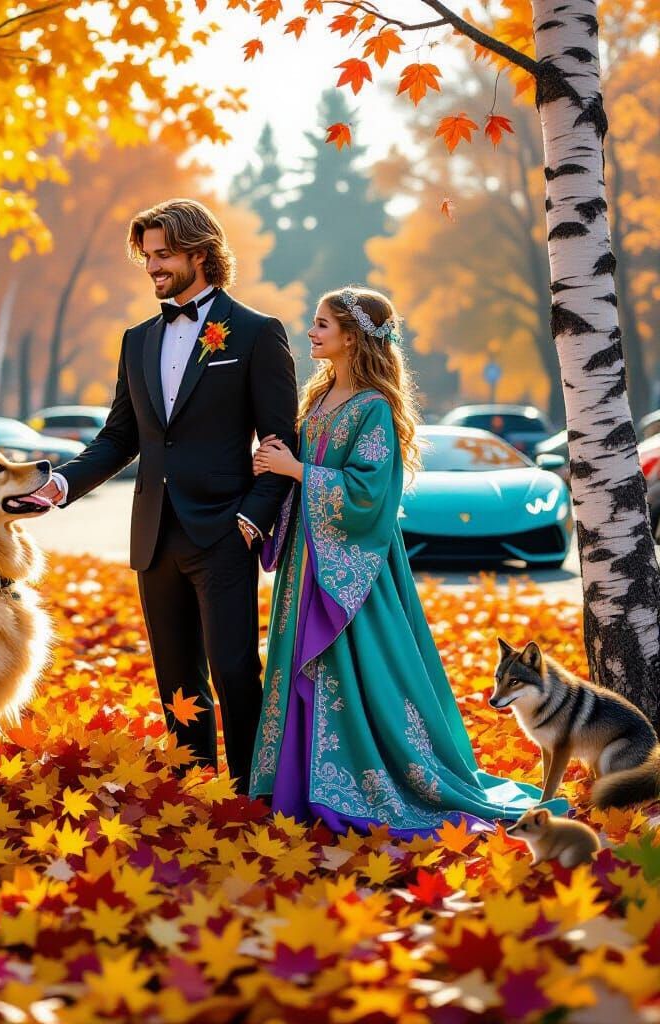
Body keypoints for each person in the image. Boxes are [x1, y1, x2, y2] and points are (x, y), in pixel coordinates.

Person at [249, 286, 567, 834]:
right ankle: (294, 784)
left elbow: (370, 493)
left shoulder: (373, 406)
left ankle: (355, 785)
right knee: (301, 663)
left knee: (359, 670)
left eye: (323, 323)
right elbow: (304, 469)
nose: (312, 331)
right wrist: (273, 469)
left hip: (354, 569)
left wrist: (294, 469)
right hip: (310, 559)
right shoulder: (319, 396)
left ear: (352, 337)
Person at [32, 199, 298, 795]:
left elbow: (281, 442)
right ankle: (191, 788)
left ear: (200, 254)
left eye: (163, 255)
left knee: (233, 670)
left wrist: (253, 520)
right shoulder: (136, 340)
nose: (152, 266)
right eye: (147, 256)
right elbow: (121, 437)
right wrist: (64, 483)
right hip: (155, 532)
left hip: (226, 532)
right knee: (176, 676)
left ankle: (252, 791)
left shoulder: (257, 333)